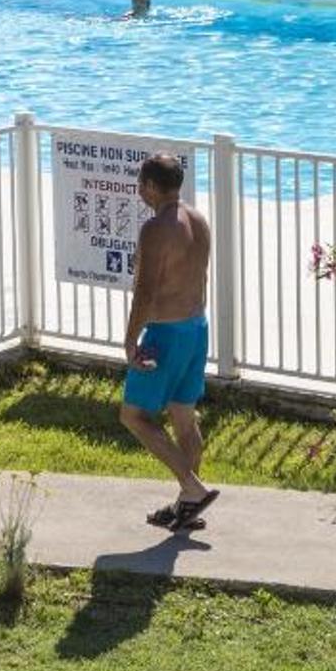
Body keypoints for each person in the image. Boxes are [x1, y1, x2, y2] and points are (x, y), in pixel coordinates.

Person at [118, 151, 215, 531]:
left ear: (151, 186)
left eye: (140, 184)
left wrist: (131, 341)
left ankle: (192, 487)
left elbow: (144, 293)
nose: (138, 191)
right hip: (196, 328)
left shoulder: (156, 228)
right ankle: (186, 507)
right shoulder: (198, 220)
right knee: (183, 418)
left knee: (134, 416)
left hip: (166, 335)